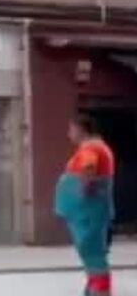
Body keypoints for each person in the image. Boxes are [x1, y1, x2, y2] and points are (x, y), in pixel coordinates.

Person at [56, 115, 116, 296]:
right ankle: (95, 288)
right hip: (89, 213)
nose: (69, 134)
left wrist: (85, 188)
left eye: (71, 130)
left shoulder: (91, 148)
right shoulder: (96, 147)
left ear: (80, 129)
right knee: (92, 255)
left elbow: (89, 167)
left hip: (88, 213)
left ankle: (100, 291)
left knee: (93, 255)